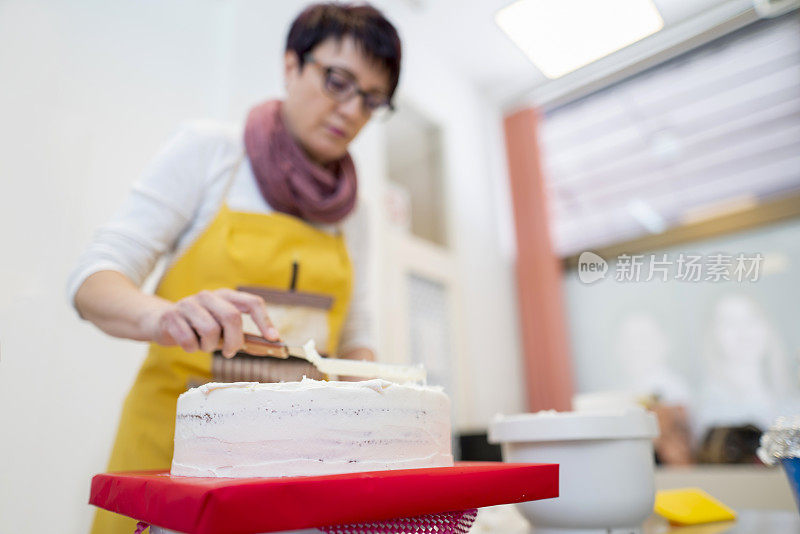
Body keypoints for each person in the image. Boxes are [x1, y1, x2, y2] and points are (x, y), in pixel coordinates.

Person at [67, 4, 401, 532]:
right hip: (167, 460)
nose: (352, 111)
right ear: (291, 65)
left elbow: (355, 329)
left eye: (372, 99)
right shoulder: (212, 153)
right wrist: (165, 316)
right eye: (338, 81)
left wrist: (370, 403)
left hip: (289, 473)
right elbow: (94, 279)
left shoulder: (355, 212)